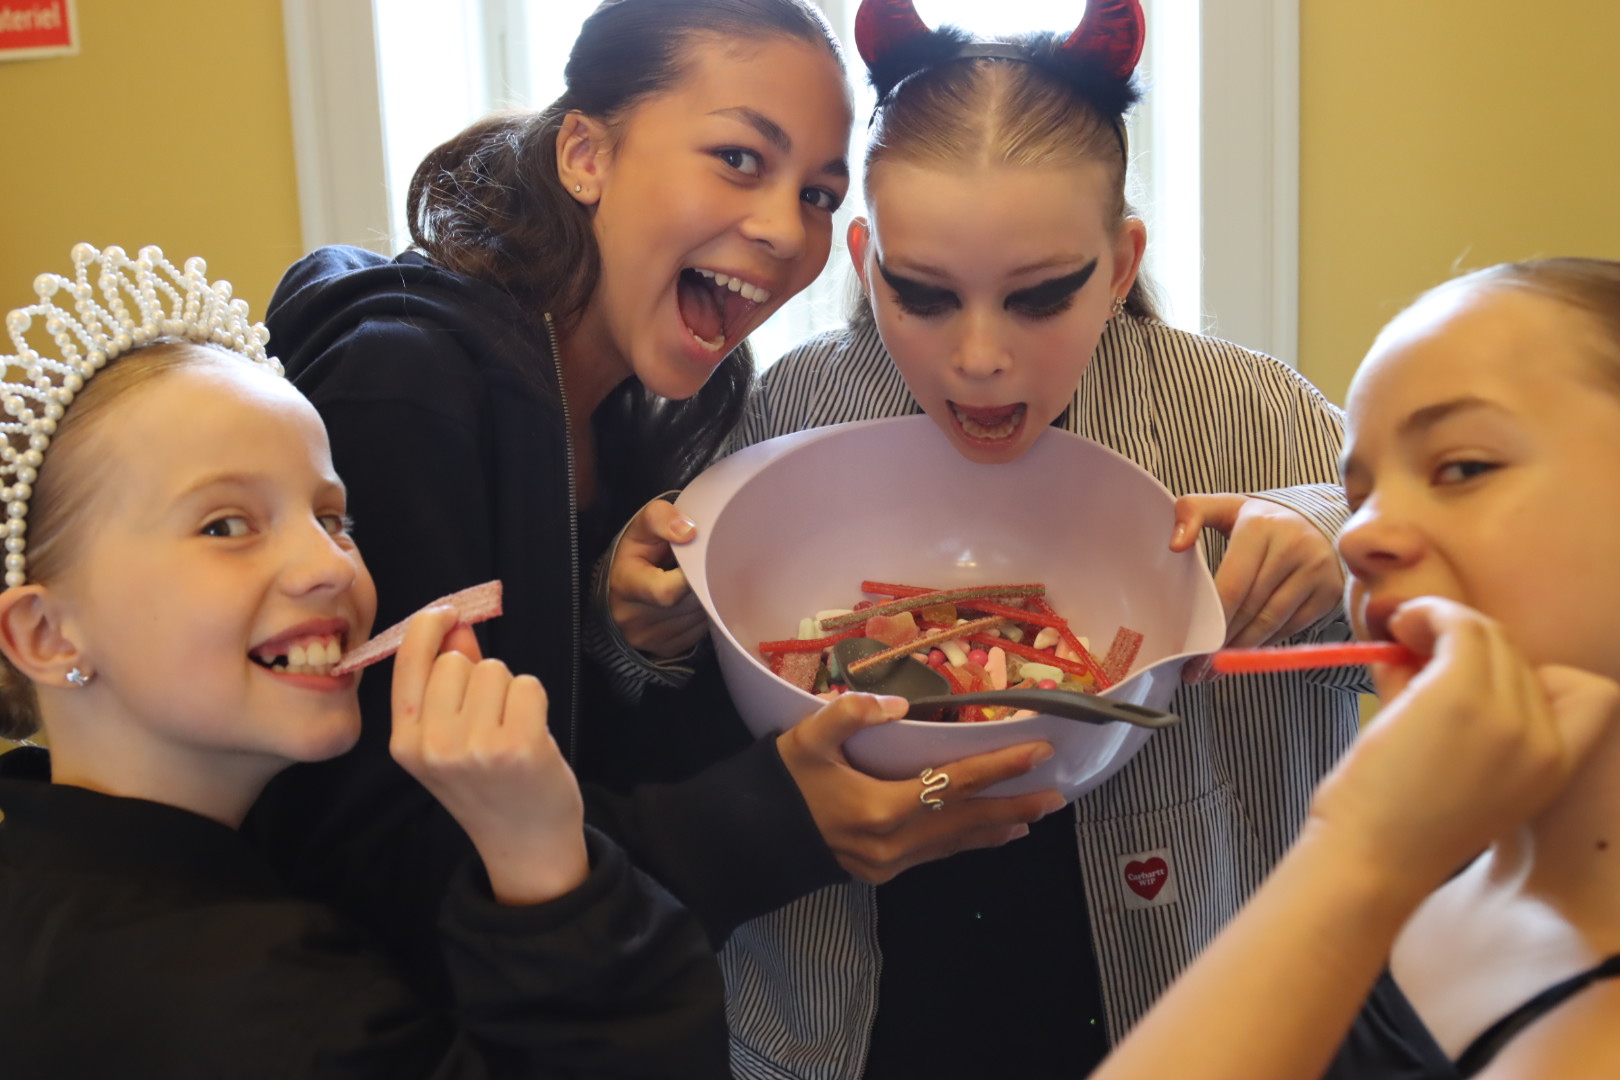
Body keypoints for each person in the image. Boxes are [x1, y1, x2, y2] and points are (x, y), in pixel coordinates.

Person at [247, 0, 1061, 1014]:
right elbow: (367, 861)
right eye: (737, 158)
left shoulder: (663, 407)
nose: (782, 230)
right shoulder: (403, 393)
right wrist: (776, 825)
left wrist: (623, 630)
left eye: (818, 191)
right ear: (585, 153)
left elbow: (573, 732)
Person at [611, 2, 1366, 1075]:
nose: (978, 359)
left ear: (1118, 263)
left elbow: (1462, 600)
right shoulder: (789, 408)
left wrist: (1337, 538)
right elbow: (672, 707)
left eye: (1038, 298)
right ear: (866, 261)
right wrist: (640, 618)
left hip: (1175, 997)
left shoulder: (1257, 415)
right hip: (858, 1010)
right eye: (922, 296)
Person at [0, 243, 728, 1077]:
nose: (329, 567)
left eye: (333, 518)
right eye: (226, 525)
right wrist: (540, 854)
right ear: (48, 636)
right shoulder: (271, 1013)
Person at [1091, 258, 1620, 1080]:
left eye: (1463, 467)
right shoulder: (1432, 873)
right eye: (1361, 492)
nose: (1357, 539)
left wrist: (1355, 855)